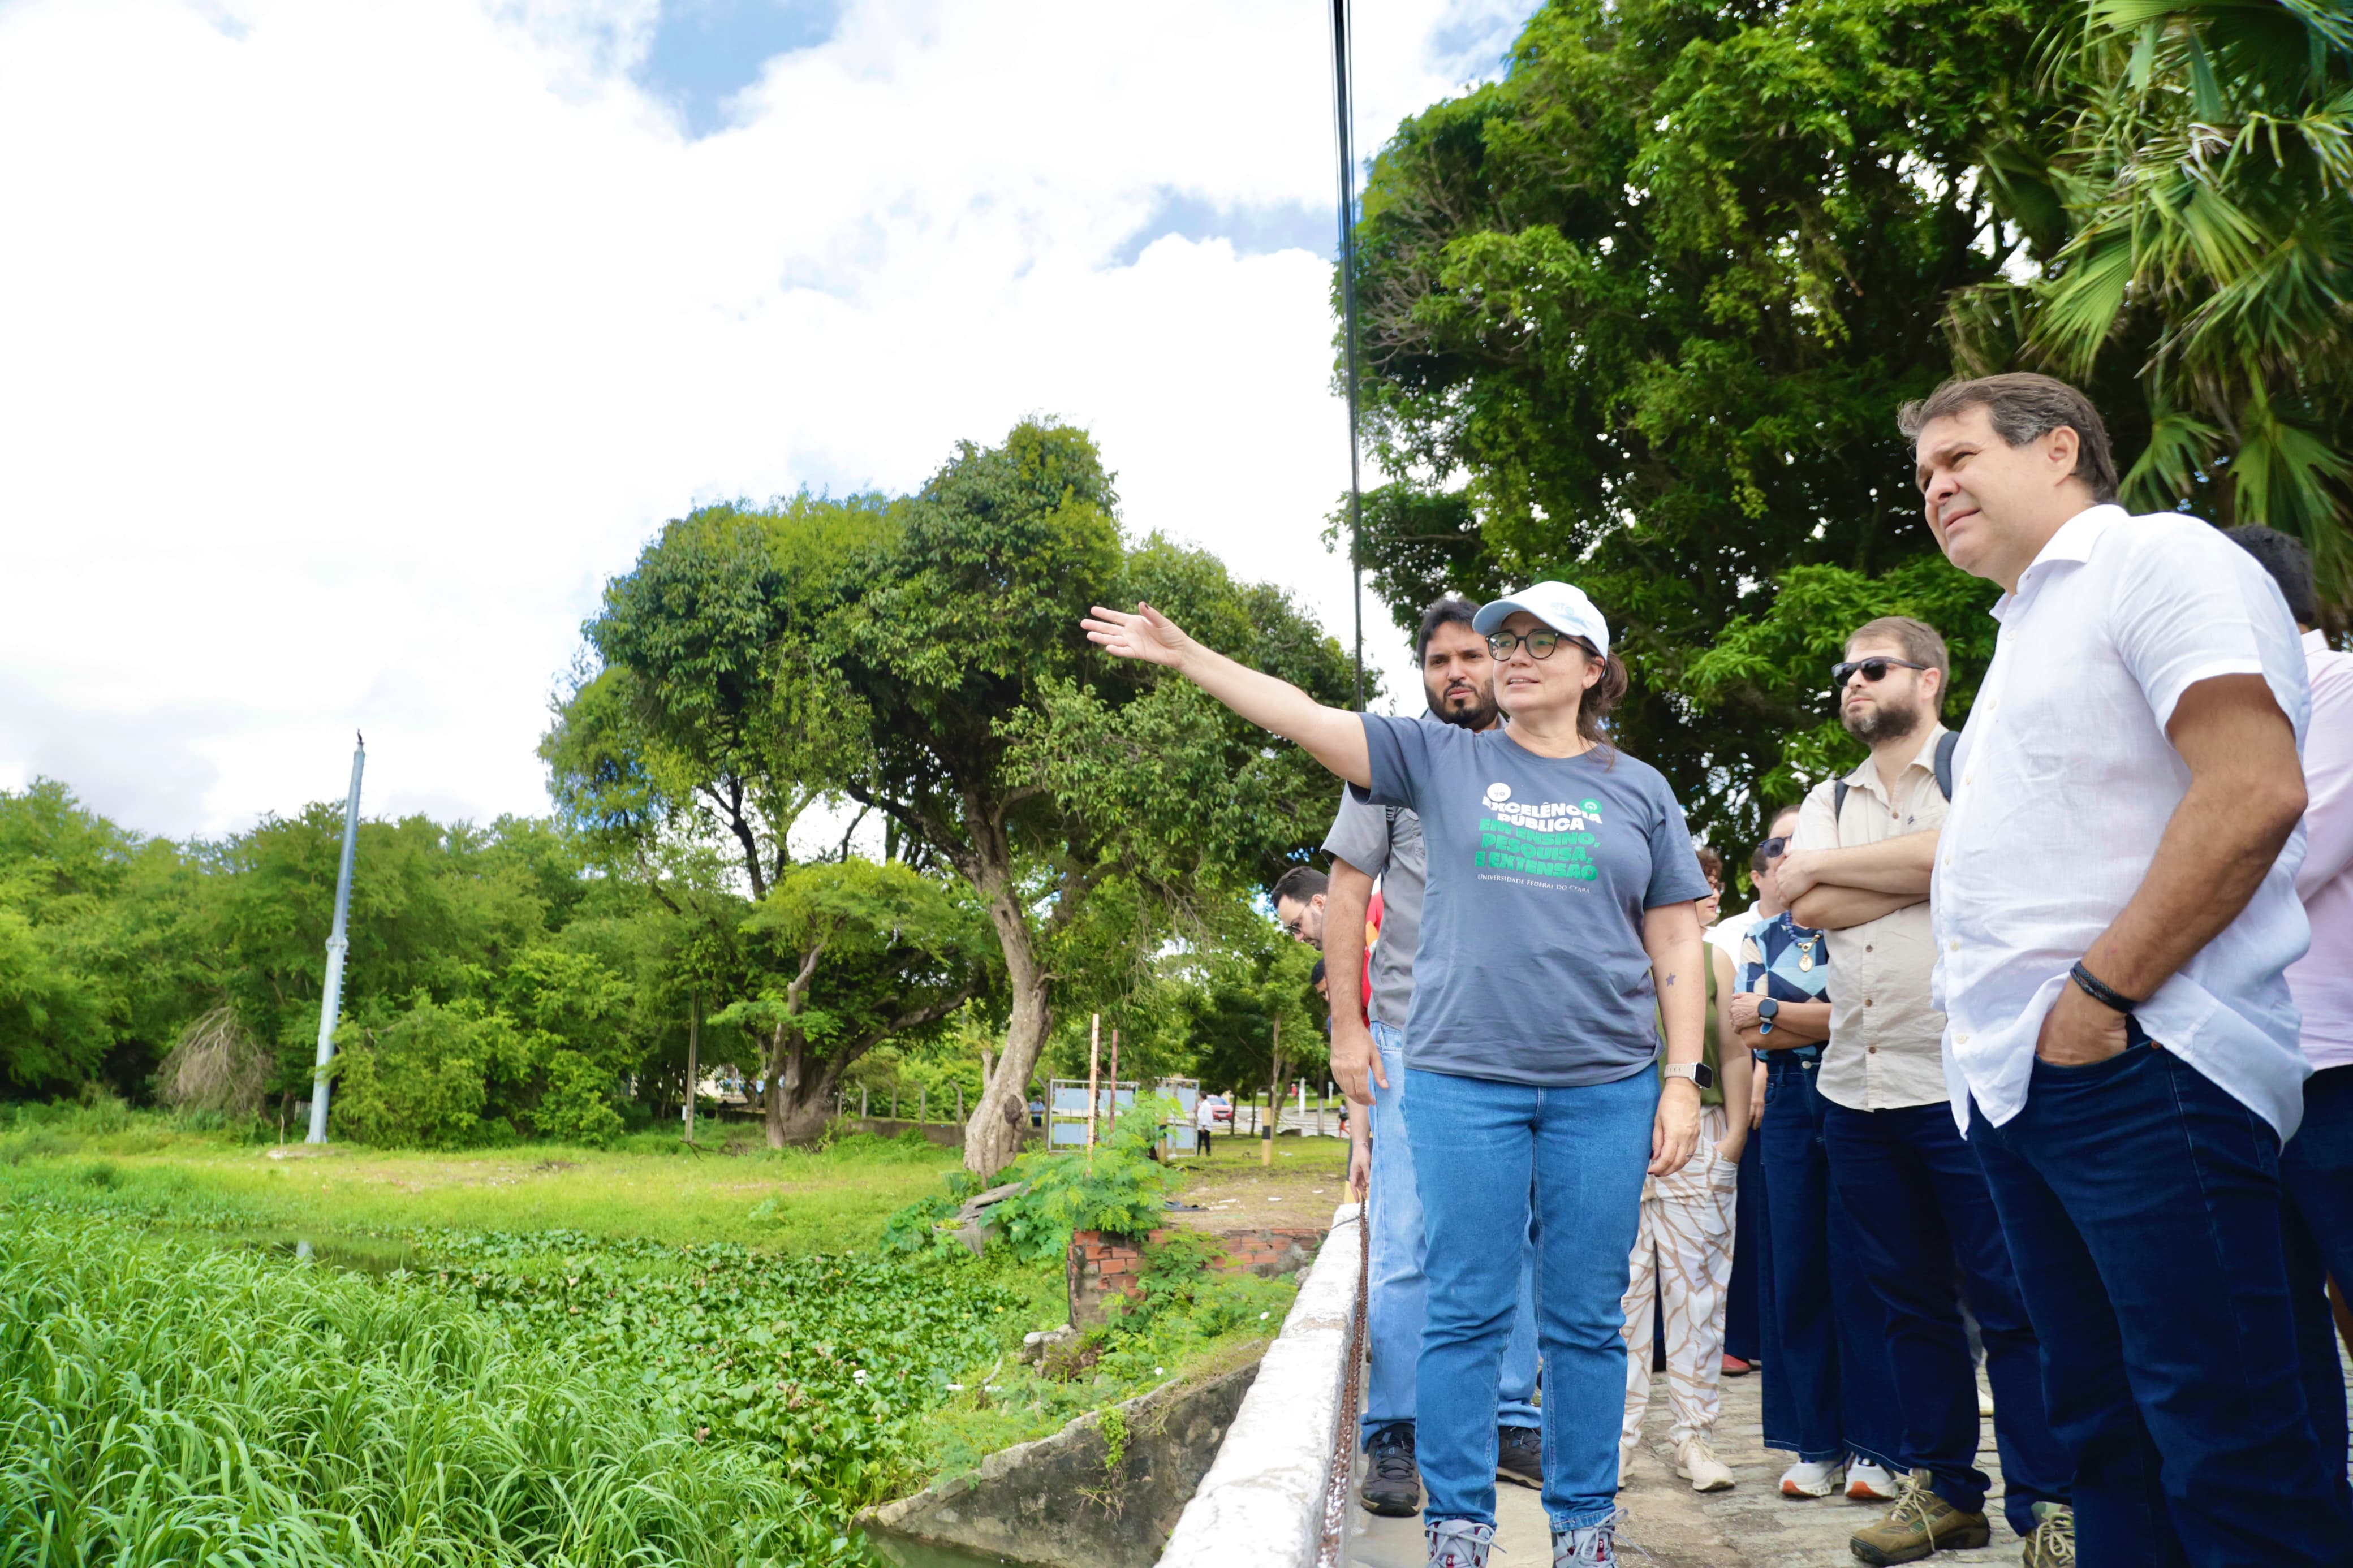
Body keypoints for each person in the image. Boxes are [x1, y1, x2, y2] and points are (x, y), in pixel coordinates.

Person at [1084, 580, 1712, 1568]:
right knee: (1465, 1304)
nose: (1516, 654)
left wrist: (1683, 1075)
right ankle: (1457, 1528)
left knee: (1585, 1316)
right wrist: (1188, 655)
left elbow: (1676, 933)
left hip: (1607, 1085)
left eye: (1546, 641)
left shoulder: (1640, 789)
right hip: (1465, 1080)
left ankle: (1585, 1529)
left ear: (1594, 668)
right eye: (1507, 639)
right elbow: (1305, 715)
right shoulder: (1440, 758)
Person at [1907, 372, 2347, 1565]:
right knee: (2103, 1441)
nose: (1935, 485)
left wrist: (2098, 999)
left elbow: (2252, 789)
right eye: (1923, 475)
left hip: (2143, 1063)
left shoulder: (2158, 560)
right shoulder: (2021, 631)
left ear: (2059, 451)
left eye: (1957, 457)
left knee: (2230, 1443)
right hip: (2019, 1086)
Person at [1778, 616, 2072, 1565]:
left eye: (1873, 666)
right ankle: (1945, 1488)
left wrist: (1881, 865)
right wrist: (1922, 868)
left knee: (2012, 1297)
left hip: (1961, 1080)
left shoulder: (1970, 766)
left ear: (1931, 678)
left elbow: (1974, 862)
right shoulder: (1829, 793)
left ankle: (2049, 1501)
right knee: (1904, 1301)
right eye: (1844, 671)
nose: (1852, 682)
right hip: (1856, 1086)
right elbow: (1805, 900)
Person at [1320, 594, 1545, 1514]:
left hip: (1528, 1041)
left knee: (1518, 1233)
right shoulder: (1393, 766)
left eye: (1472, 656)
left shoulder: (1552, 764)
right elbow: (1345, 892)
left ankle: (1508, 1415)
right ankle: (1395, 1431)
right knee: (1409, 1239)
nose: (1456, 672)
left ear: (1506, 663)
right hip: (1416, 1036)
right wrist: (1348, 1025)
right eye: (1439, 659)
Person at [2227, 524, 2353, 1489]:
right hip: (2246, 1064)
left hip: (2339, 1057)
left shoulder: (2342, 695)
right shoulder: (2242, 719)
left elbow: (2277, 858)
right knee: (2275, 1323)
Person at [1730, 818, 1906, 1504]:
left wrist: (1775, 1007)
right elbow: (1748, 1029)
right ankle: (1814, 1445)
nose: (1784, 854)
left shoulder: (1864, 921)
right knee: (1795, 1271)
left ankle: (1876, 1446)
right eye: (1774, 846)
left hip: (1861, 1095)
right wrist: (1799, 1015)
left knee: (1863, 1271)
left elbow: (1864, 1015)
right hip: (1789, 1101)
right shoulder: (1765, 935)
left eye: (1797, 842)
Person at [1619, 848, 1752, 1493]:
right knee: (1617, 1298)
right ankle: (1610, 1442)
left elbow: (1733, 1053)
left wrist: (1729, 1145)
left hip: (1695, 1133)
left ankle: (1692, 1437)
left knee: (1697, 1293)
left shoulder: (1709, 961)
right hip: (1613, 1135)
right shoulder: (1608, 950)